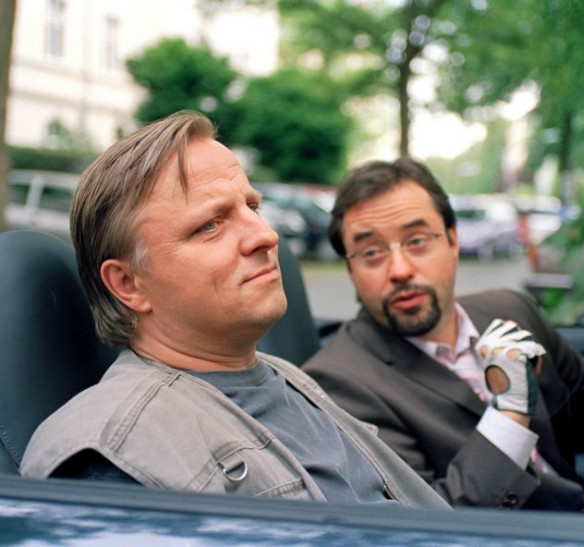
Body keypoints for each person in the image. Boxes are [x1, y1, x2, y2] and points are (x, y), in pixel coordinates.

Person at [19, 112, 448, 509]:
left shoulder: (282, 376)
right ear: (128, 284)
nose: (266, 235)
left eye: (253, 207)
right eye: (210, 224)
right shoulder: (110, 461)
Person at [303, 157, 584, 511]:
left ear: (452, 242)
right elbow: (431, 522)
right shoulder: (336, 385)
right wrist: (510, 410)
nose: (399, 269)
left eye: (417, 241)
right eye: (372, 252)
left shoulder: (510, 309)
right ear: (350, 269)